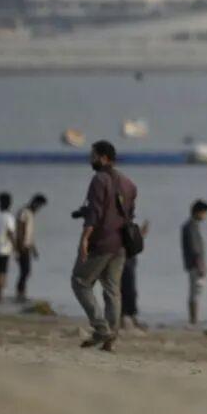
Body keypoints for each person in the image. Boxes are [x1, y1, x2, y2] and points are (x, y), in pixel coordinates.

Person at [72, 140, 137, 351]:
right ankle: (110, 339)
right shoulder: (128, 183)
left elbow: (96, 212)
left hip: (101, 242)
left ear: (103, 158)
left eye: (93, 155)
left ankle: (101, 328)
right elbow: (126, 212)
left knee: (80, 282)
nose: (90, 159)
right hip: (121, 244)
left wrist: (84, 238)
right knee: (112, 290)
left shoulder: (99, 179)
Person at [181, 199, 207, 326]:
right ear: (198, 212)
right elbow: (195, 249)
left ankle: (194, 319)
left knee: (195, 292)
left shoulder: (190, 225)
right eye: (204, 213)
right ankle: (194, 320)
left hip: (193, 264)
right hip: (195, 265)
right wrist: (200, 265)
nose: (205, 216)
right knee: (195, 293)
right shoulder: (191, 226)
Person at [15, 193, 49, 303]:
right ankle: (20, 294)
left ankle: (22, 293)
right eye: (39, 206)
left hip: (27, 246)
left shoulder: (30, 214)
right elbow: (20, 229)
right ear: (35, 203)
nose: (39, 209)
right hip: (22, 246)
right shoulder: (24, 212)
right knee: (25, 271)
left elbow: (30, 234)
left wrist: (34, 249)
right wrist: (20, 246)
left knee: (26, 271)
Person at [120, 219, 150, 330]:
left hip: (127, 259)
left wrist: (140, 235)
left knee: (128, 290)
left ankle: (128, 318)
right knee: (127, 289)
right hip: (124, 260)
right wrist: (140, 235)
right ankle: (126, 318)